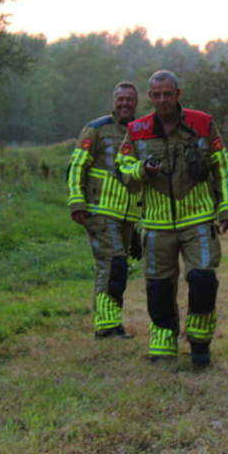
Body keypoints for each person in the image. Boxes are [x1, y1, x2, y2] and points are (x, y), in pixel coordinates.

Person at [118, 70, 228, 367]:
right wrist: (142, 170)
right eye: (156, 95)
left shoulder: (203, 123)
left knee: (203, 279)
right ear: (150, 97)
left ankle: (200, 344)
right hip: (157, 226)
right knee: (158, 287)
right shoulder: (136, 129)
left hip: (198, 221)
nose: (162, 100)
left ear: (178, 94)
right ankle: (163, 343)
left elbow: (222, 167)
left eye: (167, 94)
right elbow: (122, 169)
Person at [67, 82, 143, 339]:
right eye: (120, 99)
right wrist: (77, 203)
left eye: (129, 100)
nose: (124, 103)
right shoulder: (97, 129)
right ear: (113, 100)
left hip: (127, 217)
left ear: (136, 103)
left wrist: (139, 223)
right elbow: (77, 167)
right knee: (113, 264)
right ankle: (106, 326)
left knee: (115, 267)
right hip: (99, 211)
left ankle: (112, 323)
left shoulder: (140, 131)